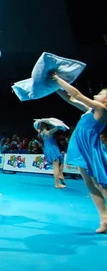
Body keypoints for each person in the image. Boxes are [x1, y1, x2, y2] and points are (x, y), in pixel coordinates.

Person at [53, 74, 107, 233]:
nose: (97, 94)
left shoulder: (102, 109)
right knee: (89, 183)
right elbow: (71, 99)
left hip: (89, 146)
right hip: (81, 145)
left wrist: (57, 79)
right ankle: (104, 219)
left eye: (101, 93)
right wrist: (54, 88)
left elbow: (77, 95)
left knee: (101, 184)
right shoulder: (92, 109)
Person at [37, 122, 66, 188]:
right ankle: (57, 184)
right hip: (52, 149)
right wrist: (56, 123)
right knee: (56, 166)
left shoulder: (41, 133)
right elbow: (58, 127)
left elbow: (35, 126)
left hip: (48, 148)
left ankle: (61, 175)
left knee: (61, 161)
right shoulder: (48, 132)